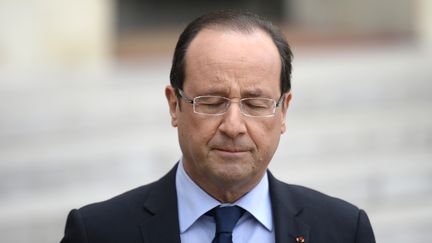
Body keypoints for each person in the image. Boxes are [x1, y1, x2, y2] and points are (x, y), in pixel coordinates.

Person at [60, 10, 376, 243]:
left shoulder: (345, 231)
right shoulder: (97, 233)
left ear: (283, 112)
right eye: (212, 102)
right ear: (175, 106)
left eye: (255, 103)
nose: (234, 126)